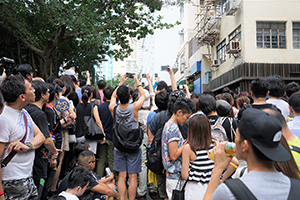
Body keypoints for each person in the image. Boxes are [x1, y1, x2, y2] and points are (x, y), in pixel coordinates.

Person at [204, 108, 300, 200]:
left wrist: (217, 169)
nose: (235, 140)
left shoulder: (229, 192)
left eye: (237, 135)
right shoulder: (296, 188)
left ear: (245, 145)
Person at [0, 75, 45, 199]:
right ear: (22, 97)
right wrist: (1, 193)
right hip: (12, 182)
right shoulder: (3, 119)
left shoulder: (24, 112)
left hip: (28, 177)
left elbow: (41, 136)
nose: (34, 90)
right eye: (30, 88)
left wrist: (27, 146)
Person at [109, 73, 145, 200]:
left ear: (118, 97)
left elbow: (113, 96)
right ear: (130, 97)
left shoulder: (113, 108)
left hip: (119, 145)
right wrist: (137, 81)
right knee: (133, 177)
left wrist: (121, 83)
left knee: (122, 176)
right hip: (133, 145)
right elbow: (144, 95)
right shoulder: (134, 107)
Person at [25, 81, 58, 199]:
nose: (50, 94)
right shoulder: (40, 115)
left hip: (29, 160)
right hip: (39, 161)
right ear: (43, 95)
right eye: (48, 92)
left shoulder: (26, 110)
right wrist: (55, 152)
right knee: (40, 188)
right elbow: (47, 140)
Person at [161, 97, 195, 199]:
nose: (187, 120)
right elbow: (174, 155)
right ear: (179, 112)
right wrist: (186, 144)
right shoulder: (173, 128)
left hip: (173, 177)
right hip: (175, 177)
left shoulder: (169, 125)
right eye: (187, 117)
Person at [181, 114, 215, 200]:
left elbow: (185, 175)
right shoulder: (215, 144)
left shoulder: (188, 148)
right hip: (212, 186)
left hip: (194, 188)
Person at [76, 85, 105, 154]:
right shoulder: (93, 106)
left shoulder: (77, 106)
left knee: (81, 156)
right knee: (90, 156)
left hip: (79, 135)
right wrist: (103, 134)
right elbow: (98, 121)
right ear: (91, 94)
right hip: (90, 135)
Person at [97, 86, 115, 177]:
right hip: (112, 137)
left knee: (101, 159)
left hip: (101, 136)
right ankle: (112, 180)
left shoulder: (99, 107)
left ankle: (99, 180)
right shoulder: (115, 107)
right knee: (112, 159)